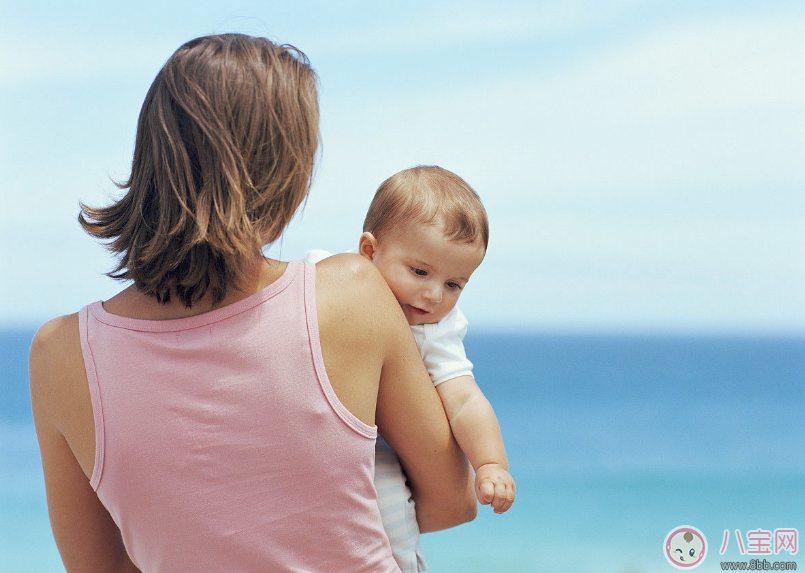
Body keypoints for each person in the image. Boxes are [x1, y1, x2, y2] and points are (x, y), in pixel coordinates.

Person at [28, 34, 476, 573]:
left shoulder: (60, 354)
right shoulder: (351, 294)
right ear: (284, 176)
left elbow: (99, 566)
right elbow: (454, 500)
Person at [303, 165, 515, 572]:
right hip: (315, 455)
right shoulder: (325, 275)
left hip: (381, 470)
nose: (434, 295)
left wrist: (490, 463)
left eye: (454, 284)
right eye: (419, 272)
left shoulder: (435, 331)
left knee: (390, 535)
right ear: (369, 252)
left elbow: (465, 399)